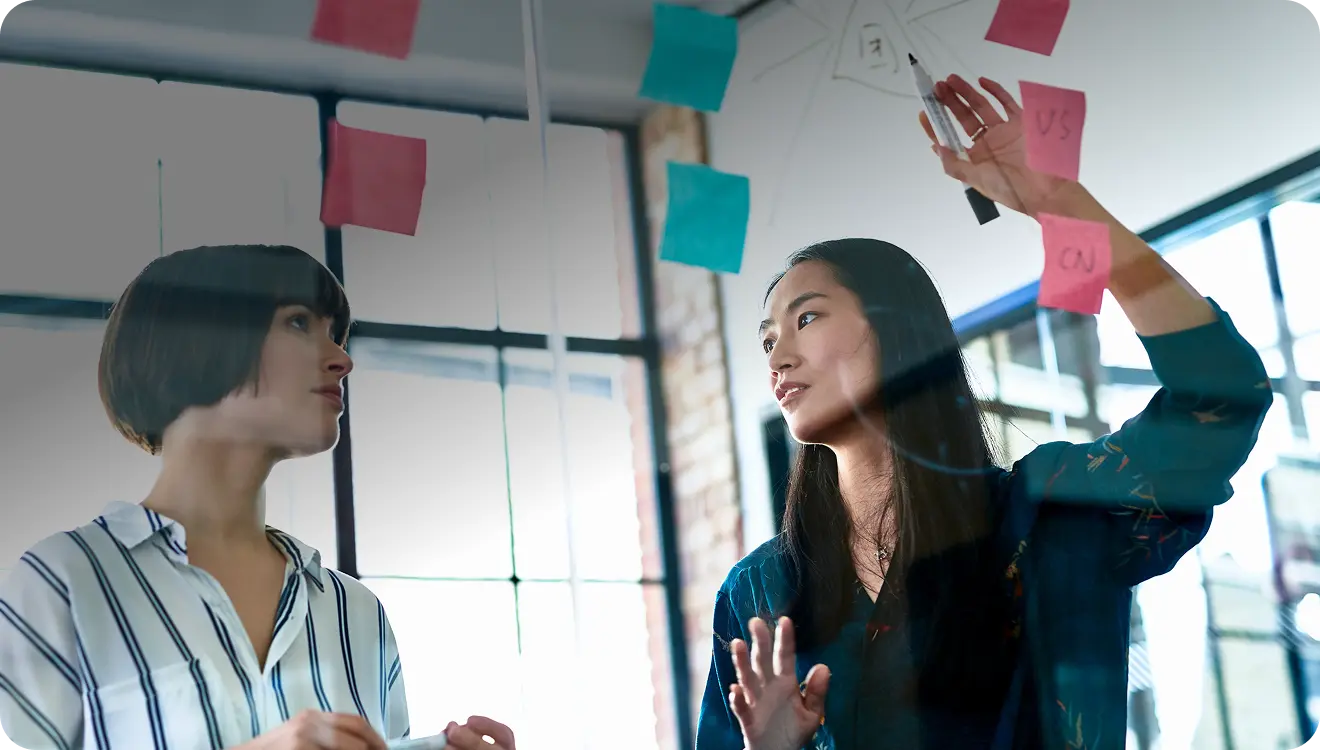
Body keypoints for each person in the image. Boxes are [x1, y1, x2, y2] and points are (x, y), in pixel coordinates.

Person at [695, 75, 1273, 750]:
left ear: (897, 331)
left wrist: (1066, 206)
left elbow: (1220, 402)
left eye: (806, 318)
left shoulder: (1048, 517)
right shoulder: (760, 595)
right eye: (767, 339)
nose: (778, 356)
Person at [0, 245, 516, 750]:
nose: (342, 359)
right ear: (196, 340)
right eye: (298, 323)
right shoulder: (62, 584)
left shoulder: (355, 613)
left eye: (335, 334)